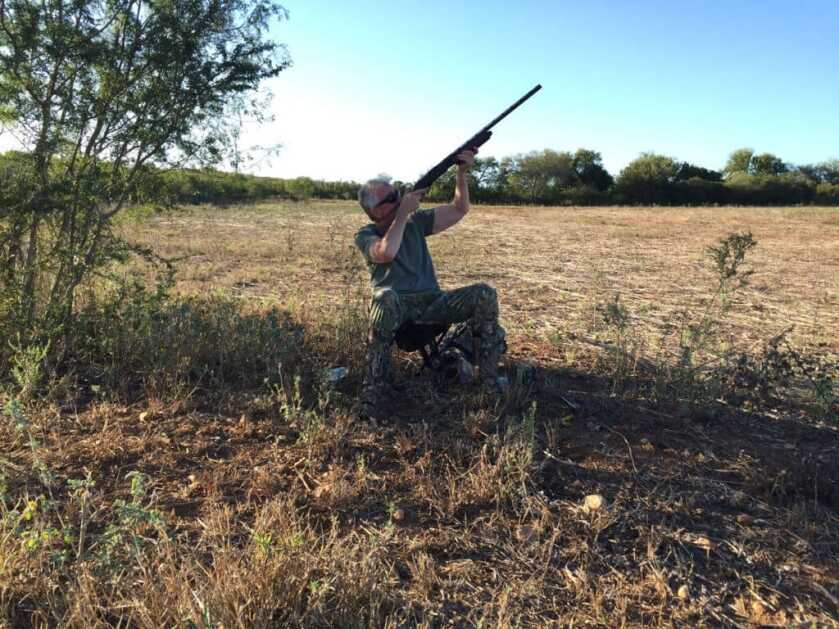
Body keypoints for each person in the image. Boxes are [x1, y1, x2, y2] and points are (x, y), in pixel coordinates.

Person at [354, 149, 506, 422]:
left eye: (398, 193)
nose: (399, 198)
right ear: (376, 211)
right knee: (384, 297)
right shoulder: (367, 234)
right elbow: (386, 253)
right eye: (392, 198)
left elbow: (459, 209)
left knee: (484, 293)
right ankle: (375, 390)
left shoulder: (415, 222)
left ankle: (488, 380)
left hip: (433, 303)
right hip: (397, 309)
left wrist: (461, 173)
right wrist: (403, 214)